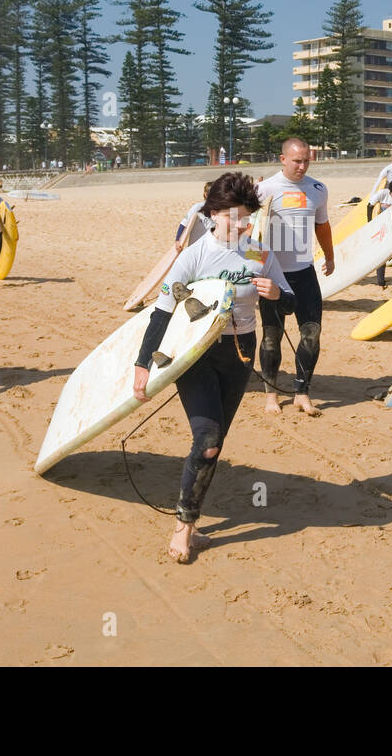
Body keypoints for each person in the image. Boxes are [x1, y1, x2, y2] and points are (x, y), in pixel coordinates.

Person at [133, 172, 294, 563]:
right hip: (196, 354)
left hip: (240, 352)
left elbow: (289, 301)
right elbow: (162, 312)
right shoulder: (194, 257)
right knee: (207, 442)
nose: (240, 225)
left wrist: (275, 295)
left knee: (215, 442)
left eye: (246, 218)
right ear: (213, 214)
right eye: (233, 217)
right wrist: (142, 364)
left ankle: (192, 520)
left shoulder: (258, 253)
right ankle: (184, 526)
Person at [256, 138, 333, 416]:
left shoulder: (317, 189)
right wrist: (255, 268)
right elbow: (249, 233)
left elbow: (322, 225)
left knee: (311, 334)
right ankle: (271, 395)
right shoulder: (263, 190)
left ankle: (302, 392)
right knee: (270, 337)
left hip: (304, 272)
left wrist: (330, 255)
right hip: (273, 275)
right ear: (283, 159)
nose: (302, 166)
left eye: (306, 161)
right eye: (297, 161)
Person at [368, 177, 392, 289]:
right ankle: (381, 282)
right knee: (382, 255)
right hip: (382, 228)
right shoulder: (383, 194)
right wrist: (370, 223)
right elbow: (369, 205)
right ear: (390, 192)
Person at [175, 182, 214, 252]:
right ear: (206, 194)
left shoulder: (219, 210)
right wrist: (177, 240)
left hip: (209, 249)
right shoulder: (197, 207)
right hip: (194, 248)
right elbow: (183, 223)